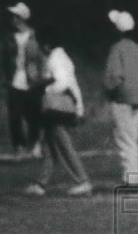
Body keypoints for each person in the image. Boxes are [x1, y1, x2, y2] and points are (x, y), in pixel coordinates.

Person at [22, 24, 92, 197]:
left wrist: (44, 90)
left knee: (63, 145)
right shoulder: (59, 56)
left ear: (46, 44)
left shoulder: (56, 58)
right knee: (51, 146)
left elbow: (61, 83)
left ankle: (82, 181)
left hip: (58, 109)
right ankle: (41, 184)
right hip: (61, 108)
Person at [103, 10, 138, 183]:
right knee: (133, 139)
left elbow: (114, 76)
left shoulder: (117, 48)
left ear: (117, 29)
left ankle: (131, 178)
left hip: (122, 97)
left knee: (124, 138)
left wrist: (107, 91)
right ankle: (134, 175)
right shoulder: (137, 48)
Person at [2, 1, 44, 158]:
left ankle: (34, 144)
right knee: (14, 116)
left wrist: (41, 77)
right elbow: (5, 59)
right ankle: (18, 146)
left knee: (33, 115)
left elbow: (40, 58)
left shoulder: (34, 36)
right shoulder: (10, 38)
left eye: (14, 16)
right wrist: (4, 77)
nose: (12, 19)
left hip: (31, 80)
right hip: (14, 80)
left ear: (21, 18)